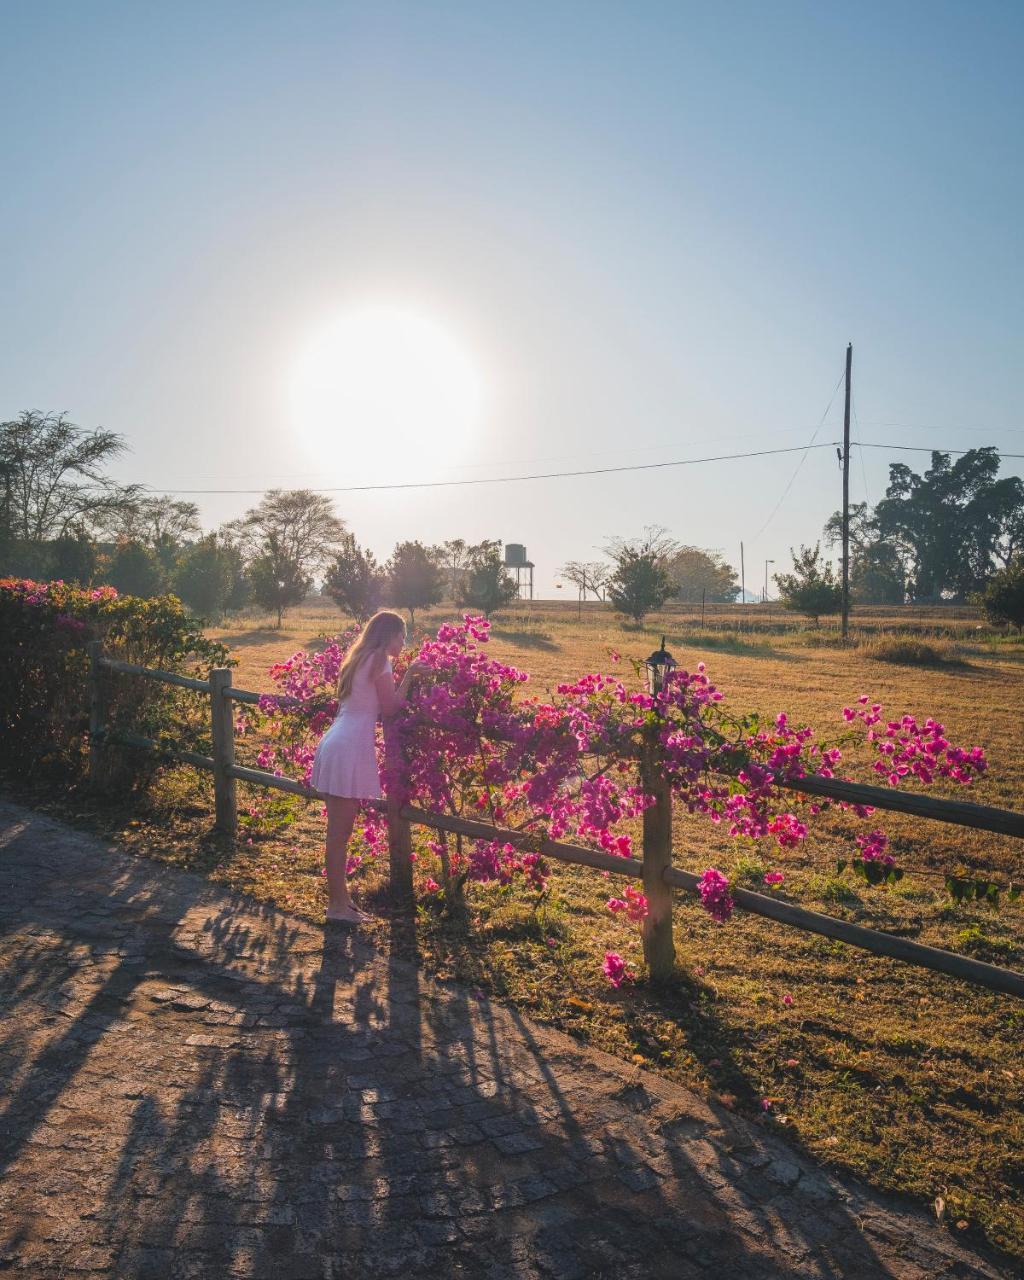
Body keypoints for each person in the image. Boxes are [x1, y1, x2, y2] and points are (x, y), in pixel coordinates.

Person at [311, 610, 427, 923]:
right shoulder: (380, 660)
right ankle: (336, 906)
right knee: (339, 834)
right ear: (388, 634)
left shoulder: (358, 658)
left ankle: (342, 901)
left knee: (338, 833)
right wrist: (411, 675)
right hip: (347, 748)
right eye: (401, 635)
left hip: (338, 741)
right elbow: (390, 708)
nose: (404, 642)